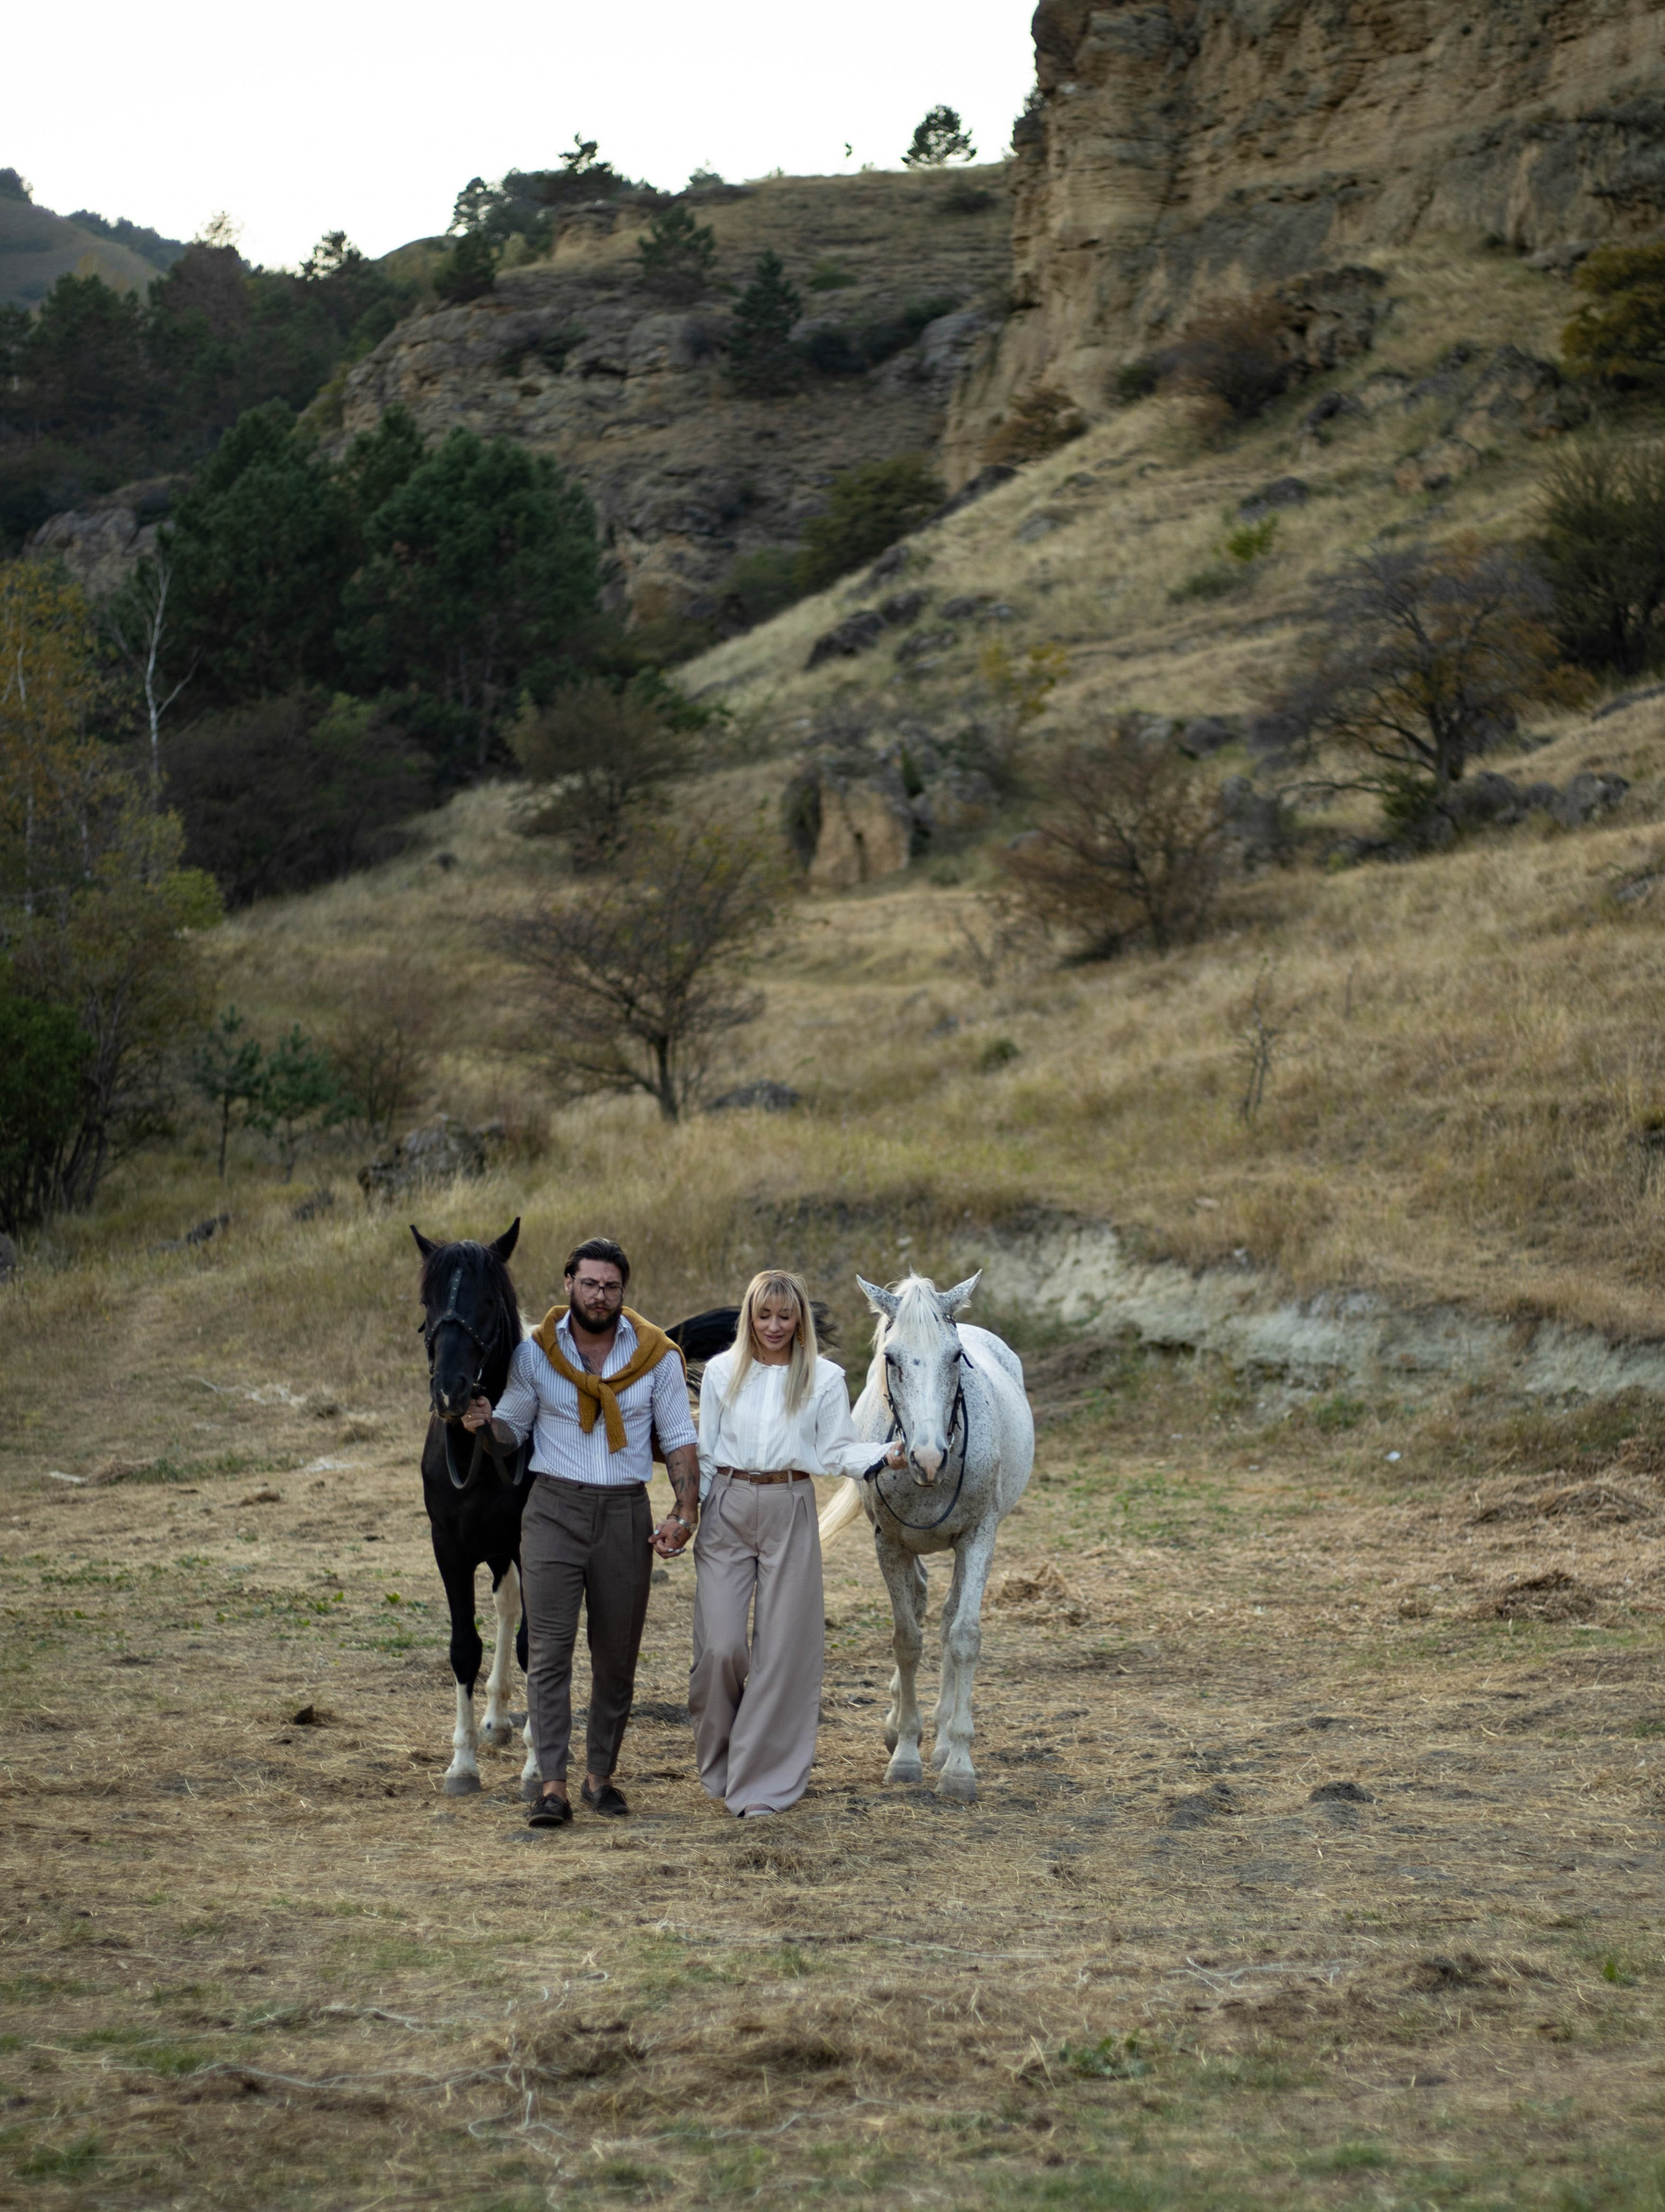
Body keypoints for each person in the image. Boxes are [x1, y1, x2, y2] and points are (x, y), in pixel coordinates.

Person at [463, 1235, 700, 1830]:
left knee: (616, 1656)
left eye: (611, 1285)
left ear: (624, 1290)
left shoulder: (657, 1356)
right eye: (589, 1282)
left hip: (624, 1512)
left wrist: (685, 1510)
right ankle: (552, 1786)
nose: (600, 1294)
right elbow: (514, 1429)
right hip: (552, 1511)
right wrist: (487, 1425)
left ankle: (600, 1776)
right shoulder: (536, 1353)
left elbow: (678, 1437)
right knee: (548, 1653)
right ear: (568, 1283)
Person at [690, 1270, 904, 1819]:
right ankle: (723, 1760)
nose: (775, 1326)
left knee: (782, 1651)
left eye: (786, 1316)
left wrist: (884, 1454)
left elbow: (837, 1451)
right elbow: (707, 1450)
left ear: (800, 1319)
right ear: (750, 1317)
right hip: (727, 1507)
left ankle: (761, 1784)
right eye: (765, 1315)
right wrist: (690, 1512)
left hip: (790, 1505)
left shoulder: (825, 1379)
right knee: (721, 1647)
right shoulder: (719, 1372)